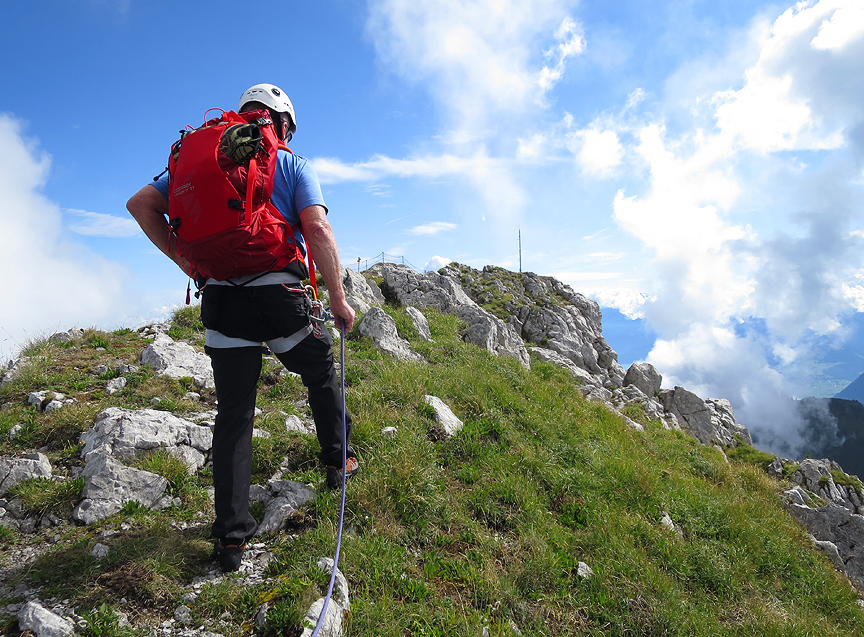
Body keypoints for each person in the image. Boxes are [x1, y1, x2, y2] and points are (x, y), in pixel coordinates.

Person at [127, 83, 358, 572]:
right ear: (283, 123)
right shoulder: (291, 163)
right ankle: (339, 461)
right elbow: (317, 228)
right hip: (280, 297)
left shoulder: (199, 156)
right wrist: (338, 298)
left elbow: (140, 204)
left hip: (222, 300)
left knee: (235, 413)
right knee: (319, 373)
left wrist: (186, 261)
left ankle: (231, 540)